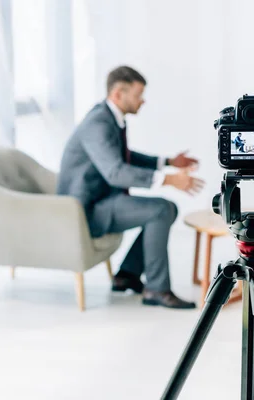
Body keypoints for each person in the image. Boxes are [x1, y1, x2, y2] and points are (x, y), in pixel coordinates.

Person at [57, 66, 204, 309]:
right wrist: (168, 179)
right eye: (138, 95)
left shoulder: (108, 117)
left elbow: (124, 156)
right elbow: (116, 172)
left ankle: (127, 275)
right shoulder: (98, 123)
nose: (142, 101)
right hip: (85, 210)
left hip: (102, 200)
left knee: (166, 209)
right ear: (118, 94)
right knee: (160, 209)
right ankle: (156, 289)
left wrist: (166, 162)